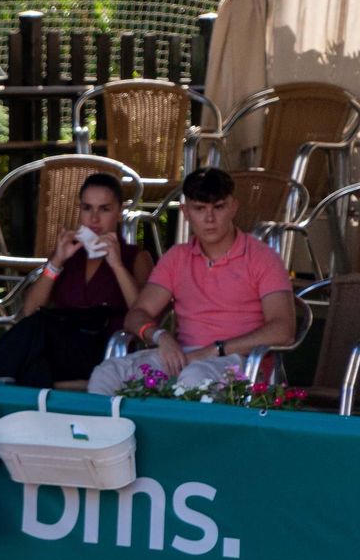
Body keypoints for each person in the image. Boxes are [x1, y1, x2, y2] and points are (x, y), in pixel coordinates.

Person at [87, 167, 295, 396]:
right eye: (199, 208)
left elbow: (283, 330)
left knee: (194, 379)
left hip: (243, 361)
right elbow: (137, 314)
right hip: (182, 357)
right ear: (185, 211)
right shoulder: (177, 258)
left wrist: (216, 350)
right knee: (106, 374)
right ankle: (113, 432)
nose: (209, 218)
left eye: (218, 207)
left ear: (233, 207)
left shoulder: (262, 257)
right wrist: (160, 336)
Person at [0, 173, 154, 388]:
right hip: (61, 347)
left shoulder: (135, 257)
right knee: (36, 351)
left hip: (104, 346)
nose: (94, 218)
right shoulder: (70, 255)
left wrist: (117, 266)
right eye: (87, 208)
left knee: (38, 330)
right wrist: (56, 262)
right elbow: (30, 308)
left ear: (119, 212)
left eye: (104, 209)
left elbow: (145, 312)